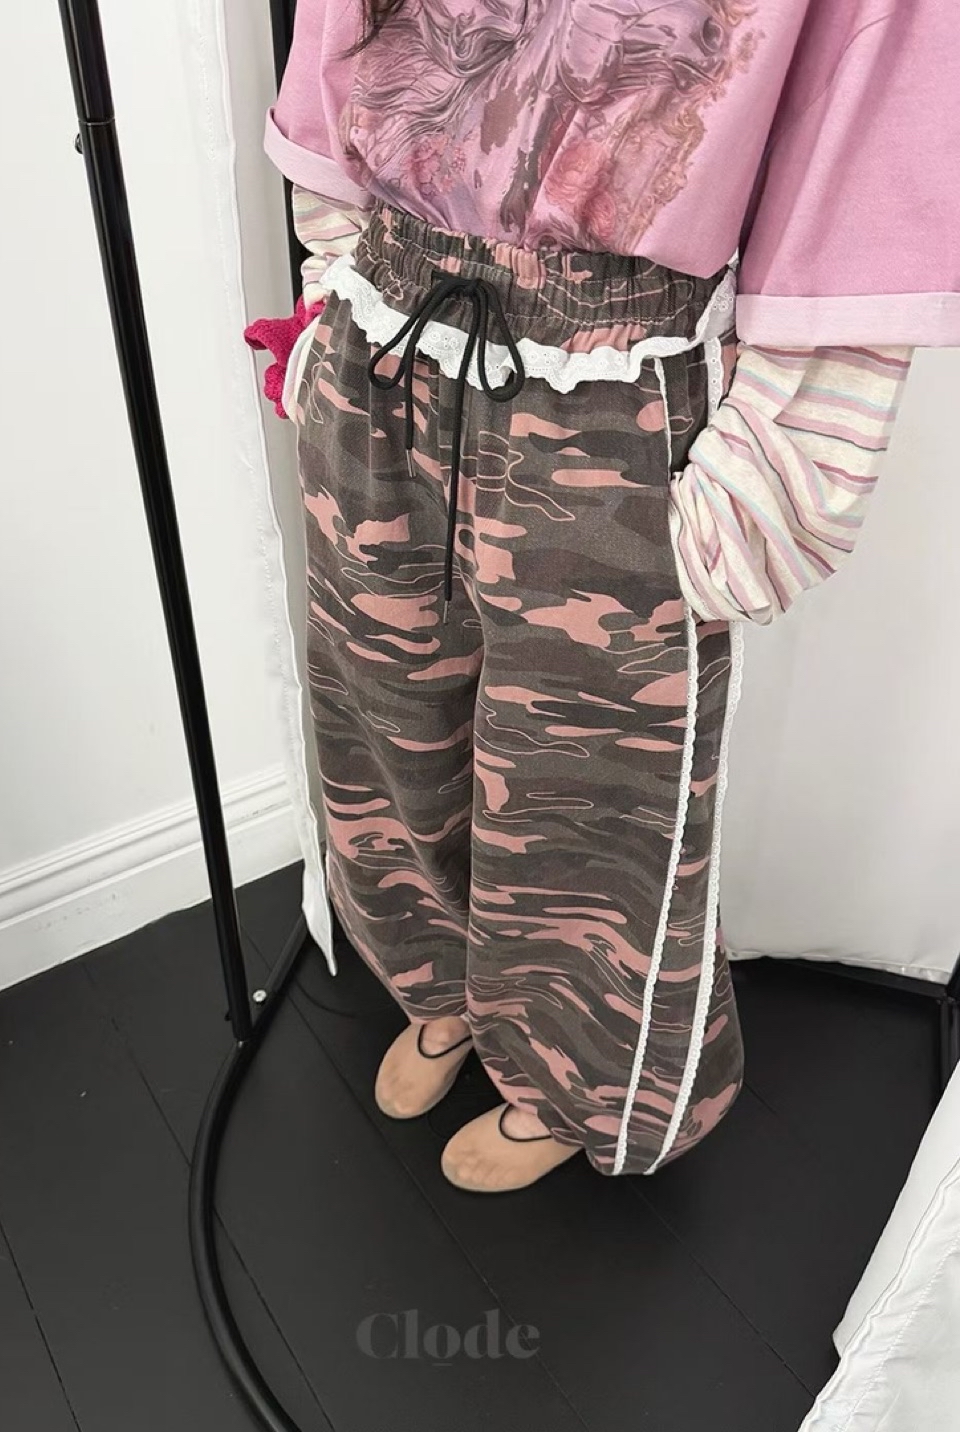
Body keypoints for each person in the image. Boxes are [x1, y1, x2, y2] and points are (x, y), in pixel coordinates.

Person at [247, 0, 958, 1192]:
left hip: (609, 376)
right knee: (383, 705)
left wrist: (778, 463)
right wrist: (328, 287)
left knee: (583, 787)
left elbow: (866, 104)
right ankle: (436, 983)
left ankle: (564, 1077)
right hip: (386, 320)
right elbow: (340, 40)